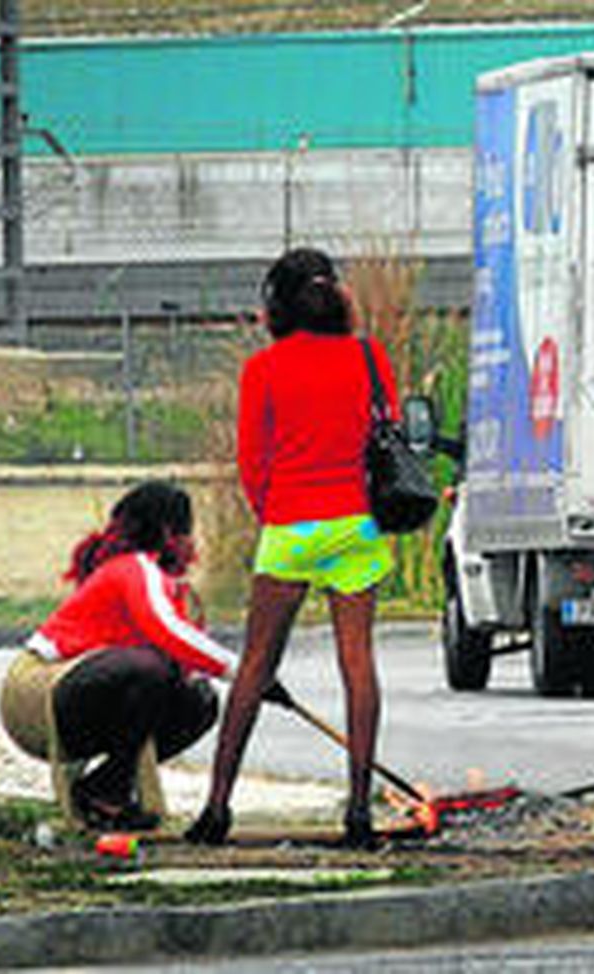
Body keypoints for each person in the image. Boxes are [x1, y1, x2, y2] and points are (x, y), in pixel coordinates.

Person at [186, 246, 399, 848]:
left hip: (291, 527)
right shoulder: (369, 355)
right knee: (358, 663)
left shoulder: (266, 369)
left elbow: (253, 464)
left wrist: (276, 519)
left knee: (256, 665)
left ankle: (217, 808)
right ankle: (359, 812)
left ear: (277, 304)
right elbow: (387, 434)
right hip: (355, 526)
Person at [0, 480, 238, 831]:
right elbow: (168, 632)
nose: (194, 544)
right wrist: (244, 672)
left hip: (79, 697)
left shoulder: (162, 581)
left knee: (198, 700)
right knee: (151, 669)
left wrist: (249, 681)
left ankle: (102, 789)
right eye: (190, 533)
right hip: (33, 696)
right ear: (171, 534)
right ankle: (109, 794)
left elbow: (186, 661)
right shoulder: (134, 567)